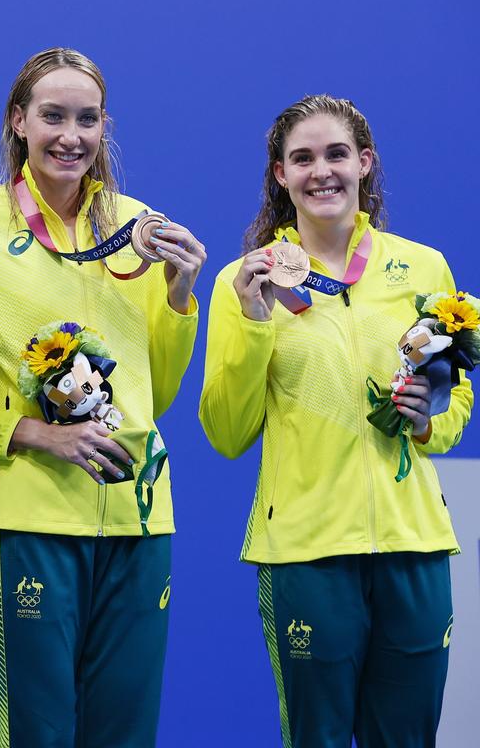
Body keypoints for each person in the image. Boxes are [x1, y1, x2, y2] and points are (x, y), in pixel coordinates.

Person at [0, 47, 206, 747]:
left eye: (86, 119)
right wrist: (37, 435)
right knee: (38, 735)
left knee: (126, 735)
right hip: (31, 520)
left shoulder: (139, 228)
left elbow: (157, 392)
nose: (70, 136)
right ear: (18, 121)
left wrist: (178, 296)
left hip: (138, 518)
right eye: (52, 115)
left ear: (103, 126)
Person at [199, 94, 474, 748]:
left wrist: (427, 422)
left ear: (365, 163)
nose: (321, 171)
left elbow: (453, 395)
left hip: (414, 546)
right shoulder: (247, 281)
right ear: (280, 176)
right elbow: (226, 430)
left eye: (336, 154)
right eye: (303, 159)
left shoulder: (423, 267)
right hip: (307, 554)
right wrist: (254, 321)